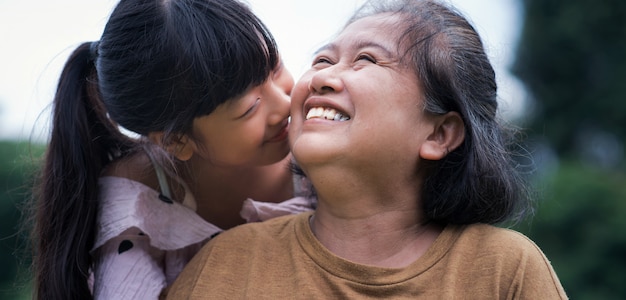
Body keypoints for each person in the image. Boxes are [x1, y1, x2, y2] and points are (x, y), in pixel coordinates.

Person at [165, 0, 568, 298]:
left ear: (439, 135)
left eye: (366, 60)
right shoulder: (227, 264)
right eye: (322, 59)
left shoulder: (503, 269)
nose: (323, 77)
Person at [29, 0, 314, 299]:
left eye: (275, 66)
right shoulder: (138, 203)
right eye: (249, 108)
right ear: (176, 141)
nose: (284, 105)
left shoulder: (320, 153)